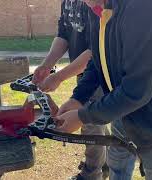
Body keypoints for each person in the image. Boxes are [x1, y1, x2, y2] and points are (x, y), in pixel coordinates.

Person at [55, 0, 152, 179]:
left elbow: (136, 90)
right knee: (118, 167)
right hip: (122, 111)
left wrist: (82, 116)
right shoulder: (98, 5)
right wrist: (78, 98)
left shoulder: (150, 6)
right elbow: (98, 58)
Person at [32, 1, 108, 180]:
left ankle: (92, 174)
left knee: (91, 124)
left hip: (99, 71)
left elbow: (95, 51)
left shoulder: (94, 3)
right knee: (96, 122)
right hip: (83, 71)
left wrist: (58, 77)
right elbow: (64, 34)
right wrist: (46, 65)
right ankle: (104, 165)